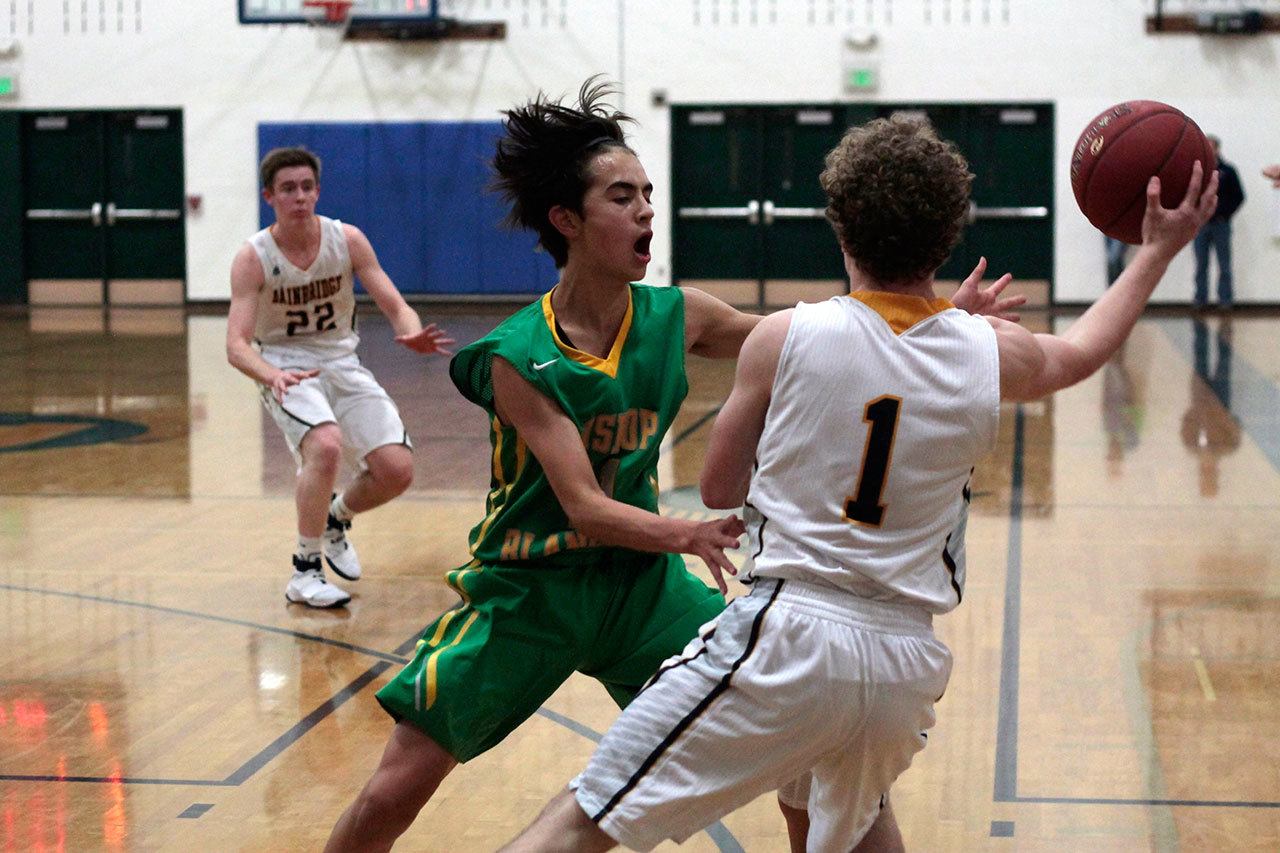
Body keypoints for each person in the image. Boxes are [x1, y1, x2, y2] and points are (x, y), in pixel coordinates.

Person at [323, 81, 1022, 853]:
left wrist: (932, 321)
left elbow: (830, 341)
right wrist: (684, 532)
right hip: (532, 589)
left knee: (809, 755)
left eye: (648, 194)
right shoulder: (519, 355)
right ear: (567, 220)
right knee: (395, 786)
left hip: (640, 588)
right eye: (623, 197)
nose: (646, 211)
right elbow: (584, 506)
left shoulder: (677, 315)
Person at [500, 116, 1218, 853]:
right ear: (948, 235)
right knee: (856, 829)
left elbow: (718, 486)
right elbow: (1084, 349)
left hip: (792, 637)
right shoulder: (988, 354)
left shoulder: (784, 336)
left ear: (840, 228)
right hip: (904, 663)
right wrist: (1157, 250)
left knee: (583, 818)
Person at [227, 146, 455, 608]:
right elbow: (236, 344)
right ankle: (304, 570)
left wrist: (409, 332)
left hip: (342, 362)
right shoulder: (253, 257)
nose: (299, 197)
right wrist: (271, 375)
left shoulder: (346, 240)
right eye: (288, 189)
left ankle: (336, 517)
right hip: (286, 365)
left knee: (396, 470)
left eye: (307, 187)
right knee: (325, 445)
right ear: (269, 196)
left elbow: (395, 304)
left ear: (318, 191)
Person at [1193, 135, 1244, 309]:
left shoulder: (1228, 171)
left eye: (1211, 147)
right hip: (1201, 224)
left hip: (1221, 224)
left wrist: (1224, 213)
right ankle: (1200, 300)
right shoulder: (1198, 172)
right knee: (1201, 264)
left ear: (1217, 149)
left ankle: (1225, 300)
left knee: (1224, 264)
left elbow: (1239, 196)